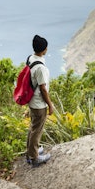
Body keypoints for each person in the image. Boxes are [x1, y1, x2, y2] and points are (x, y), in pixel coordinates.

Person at [26, 34, 54, 167]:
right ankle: (35, 157)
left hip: (32, 100)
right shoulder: (41, 68)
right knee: (37, 130)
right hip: (39, 103)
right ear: (44, 49)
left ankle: (31, 151)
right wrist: (50, 105)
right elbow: (43, 89)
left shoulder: (31, 59)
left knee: (33, 127)